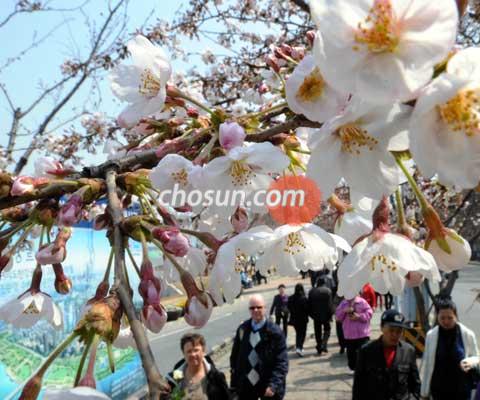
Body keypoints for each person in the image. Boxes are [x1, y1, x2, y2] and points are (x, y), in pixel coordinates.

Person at [353, 309, 421, 400]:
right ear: (381, 327)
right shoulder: (366, 351)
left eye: (399, 331)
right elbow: (359, 386)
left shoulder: (408, 351)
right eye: (391, 330)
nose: (395, 335)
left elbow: (415, 384)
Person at [230, 294, 288, 400]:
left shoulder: (275, 333)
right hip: (246, 387)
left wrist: (273, 385)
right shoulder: (243, 329)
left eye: (259, 307)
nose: (255, 310)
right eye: (252, 308)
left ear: (264, 308)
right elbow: (235, 357)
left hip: (267, 386)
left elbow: (282, 362)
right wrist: (234, 383)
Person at [420, 299, 479, 400]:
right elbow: (427, 365)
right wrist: (424, 393)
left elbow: (477, 358)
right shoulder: (431, 336)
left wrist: (470, 362)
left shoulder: (467, 334)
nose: (446, 321)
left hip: (462, 391)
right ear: (437, 316)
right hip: (438, 391)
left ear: (456, 316)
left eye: (450, 318)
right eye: (442, 318)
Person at [166, 333, 231, 400]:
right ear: (184, 354)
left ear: (203, 351)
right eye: (189, 351)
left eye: (196, 350)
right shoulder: (174, 379)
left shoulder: (216, 378)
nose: (193, 354)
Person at [336, 293, 373, 371]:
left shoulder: (362, 302)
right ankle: (352, 368)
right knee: (351, 354)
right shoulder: (343, 303)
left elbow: (369, 314)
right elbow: (338, 317)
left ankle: (364, 369)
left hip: (363, 334)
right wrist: (344, 311)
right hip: (349, 334)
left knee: (364, 353)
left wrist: (359, 316)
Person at [308, 276, 333, 355]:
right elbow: (330, 305)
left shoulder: (312, 291)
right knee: (327, 330)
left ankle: (319, 346)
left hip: (316, 316)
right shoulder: (328, 291)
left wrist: (311, 315)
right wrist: (331, 314)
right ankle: (324, 344)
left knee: (317, 332)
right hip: (326, 315)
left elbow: (309, 305)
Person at [287, 283, 309, 357]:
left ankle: (299, 347)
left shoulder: (290, 298)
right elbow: (307, 309)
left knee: (298, 333)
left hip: (294, 319)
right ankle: (299, 347)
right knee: (303, 333)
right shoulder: (304, 298)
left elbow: (288, 307)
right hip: (303, 319)